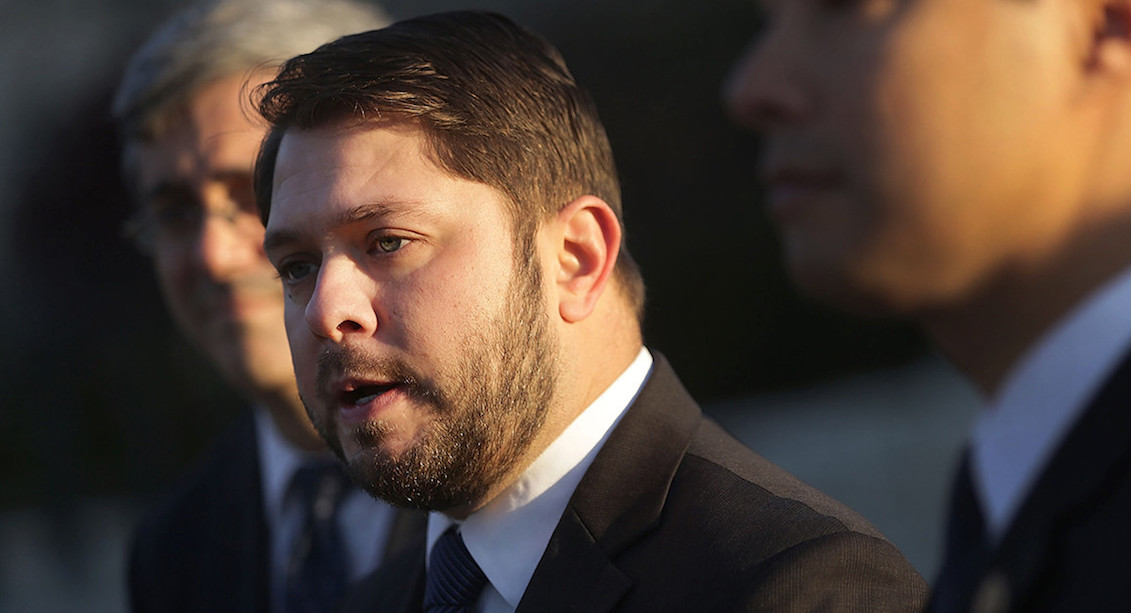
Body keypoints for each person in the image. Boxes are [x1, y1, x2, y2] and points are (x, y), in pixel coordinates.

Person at [253, 10, 928, 611]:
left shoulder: (800, 588)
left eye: (388, 241)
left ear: (575, 256)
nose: (325, 309)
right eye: (297, 266)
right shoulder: (372, 599)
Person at [725, 1, 1131, 611]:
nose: (752, 90)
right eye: (768, 23)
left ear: (1107, 24)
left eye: (844, 9)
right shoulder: (1024, 495)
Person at [112, 1, 423, 611]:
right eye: (176, 212)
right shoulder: (172, 548)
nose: (214, 255)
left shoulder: (527, 484)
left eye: (258, 194)